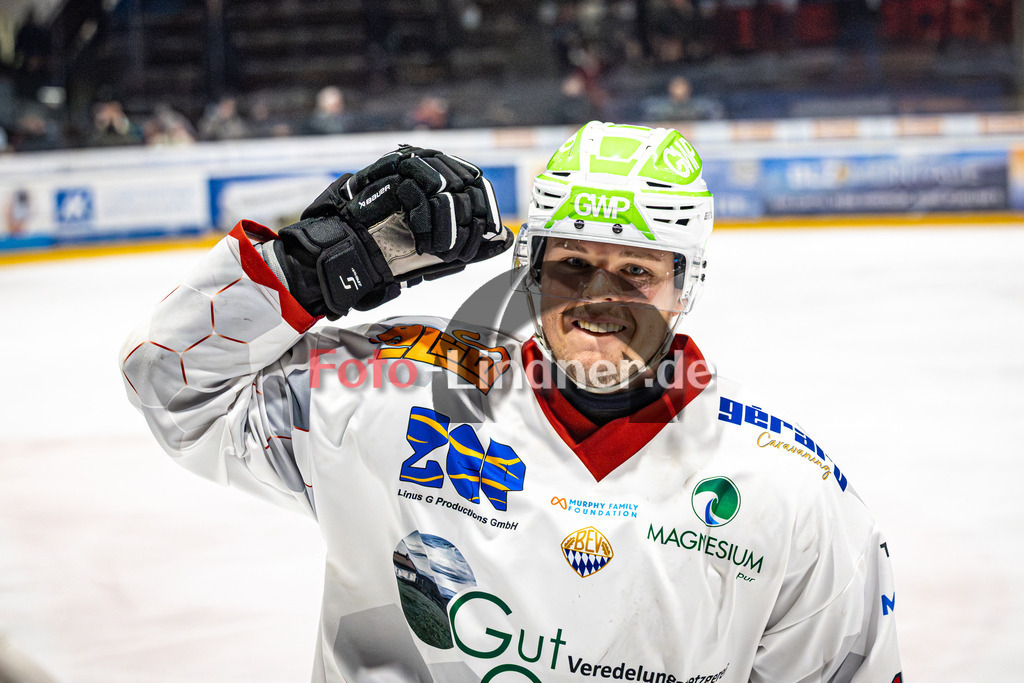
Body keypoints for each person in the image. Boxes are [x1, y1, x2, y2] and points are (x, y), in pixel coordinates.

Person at [121, 122, 901, 681]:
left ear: (684, 283)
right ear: (531, 271)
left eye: (636, 273)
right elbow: (175, 384)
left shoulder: (792, 493)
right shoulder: (391, 395)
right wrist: (307, 265)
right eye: (574, 265)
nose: (601, 299)